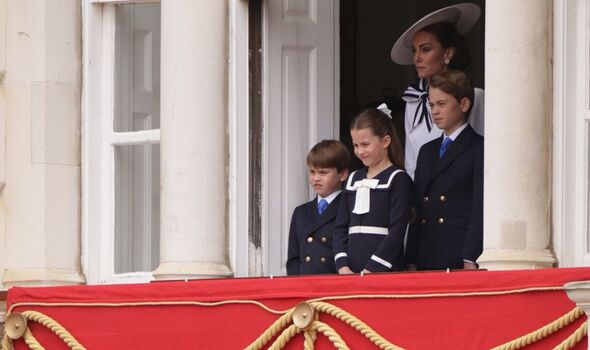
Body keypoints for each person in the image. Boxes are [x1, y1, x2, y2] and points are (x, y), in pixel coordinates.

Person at [390, 3, 484, 179]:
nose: (417, 58)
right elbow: (411, 162)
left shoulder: (475, 96)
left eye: (426, 49)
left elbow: (482, 153)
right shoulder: (413, 101)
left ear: (447, 54)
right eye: (414, 50)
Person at [405, 70, 483, 271]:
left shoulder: (478, 147)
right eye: (431, 105)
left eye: (442, 104)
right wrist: (411, 258)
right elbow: (417, 209)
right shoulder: (426, 151)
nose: (434, 111)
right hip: (426, 250)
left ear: (464, 104)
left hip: (457, 251)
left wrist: (471, 256)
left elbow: (479, 206)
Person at [332, 104, 413, 274]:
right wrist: (342, 265)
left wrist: (372, 269)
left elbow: (397, 231)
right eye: (355, 145)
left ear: (385, 141)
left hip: (384, 271)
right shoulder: (353, 178)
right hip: (350, 272)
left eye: (365, 144)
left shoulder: (398, 179)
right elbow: (340, 227)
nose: (360, 151)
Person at [286, 140, 350, 275]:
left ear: (342, 174)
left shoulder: (349, 207)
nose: (316, 178)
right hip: (305, 287)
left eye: (323, 172)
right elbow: (294, 259)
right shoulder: (300, 212)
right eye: (312, 172)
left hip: (333, 286)